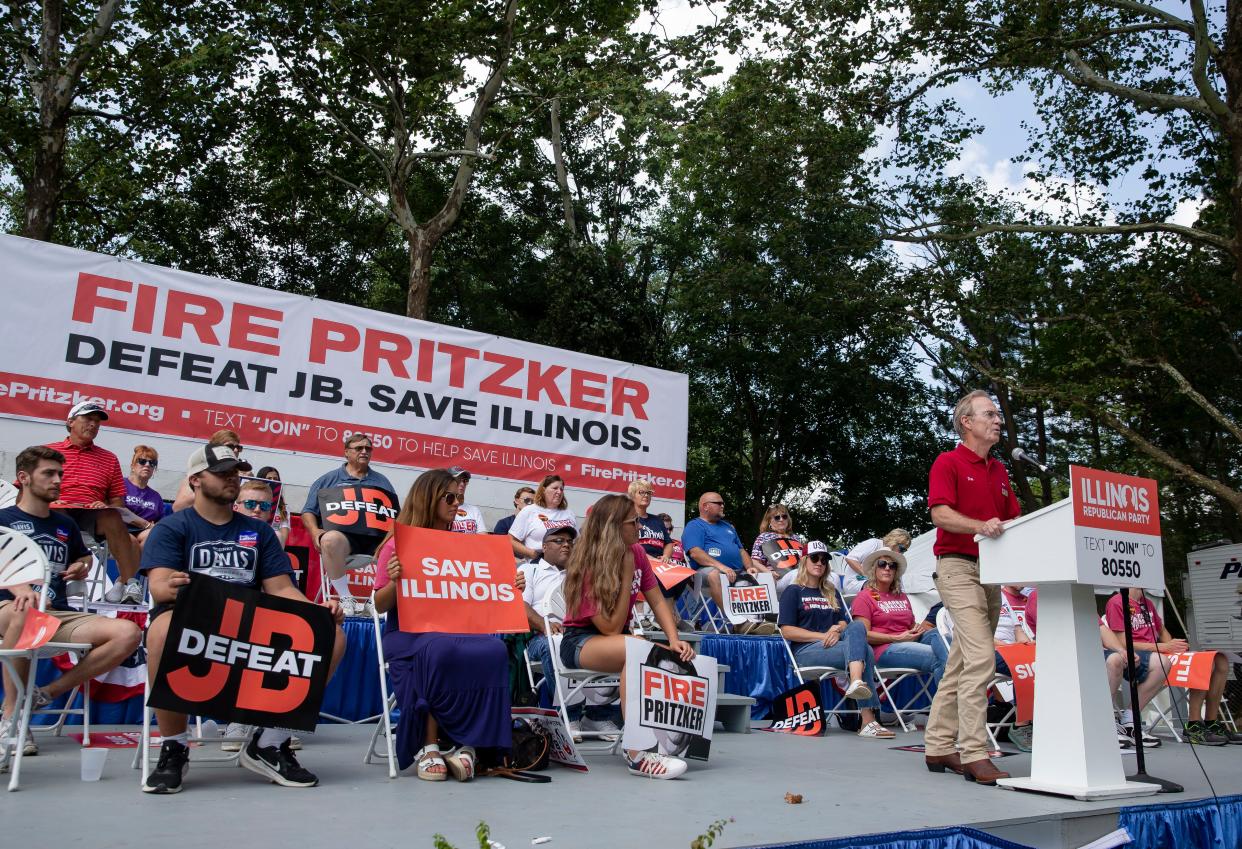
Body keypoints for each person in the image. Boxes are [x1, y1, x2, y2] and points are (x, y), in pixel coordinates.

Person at [140, 443, 345, 794]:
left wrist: (315, 611)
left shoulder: (260, 533)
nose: (231, 478)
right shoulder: (173, 527)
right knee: (160, 631)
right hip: (194, 619)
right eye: (221, 473)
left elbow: (280, 588)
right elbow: (160, 588)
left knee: (332, 634)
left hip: (247, 622)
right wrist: (176, 587)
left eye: (234, 472)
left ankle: (268, 742)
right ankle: (174, 746)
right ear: (195, 481)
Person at [0, 446, 142, 756]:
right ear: (23, 478)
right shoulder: (3, 520)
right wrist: (19, 587)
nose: (57, 481)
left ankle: (43, 694)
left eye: (60, 474)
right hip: (8, 610)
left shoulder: (64, 525)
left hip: (56, 615)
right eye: (48, 474)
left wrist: (84, 565)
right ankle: (13, 717)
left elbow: (81, 556)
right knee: (22, 612)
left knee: (128, 633)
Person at [373, 468, 514, 781]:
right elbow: (378, 605)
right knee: (438, 648)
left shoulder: (463, 545)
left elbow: (478, 595)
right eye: (449, 497)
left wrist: (508, 584)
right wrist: (396, 581)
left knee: (494, 648)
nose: (456, 504)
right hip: (407, 633)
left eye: (460, 498)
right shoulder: (397, 544)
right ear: (428, 499)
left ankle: (471, 743)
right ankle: (429, 745)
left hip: (454, 631)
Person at [560, 494, 697, 779]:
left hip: (617, 639)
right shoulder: (588, 561)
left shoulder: (636, 553)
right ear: (613, 527)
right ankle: (637, 753)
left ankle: (661, 744)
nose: (640, 528)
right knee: (638, 650)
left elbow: (657, 600)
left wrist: (673, 638)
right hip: (581, 641)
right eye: (633, 522)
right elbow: (609, 628)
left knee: (663, 653)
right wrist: (624, 574)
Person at [923, 390, 1021, 785]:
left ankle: (938, 746)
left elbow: (1014, 521)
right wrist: (980, 525)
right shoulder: (947, 462)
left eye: (998, 415)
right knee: (982, 657)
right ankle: (975, 751)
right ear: (966, 421)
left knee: (962, 663)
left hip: (991, 573)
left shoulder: (999, 470)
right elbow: (940, 513)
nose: (998, 420)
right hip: (957, 568)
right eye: (990, 414)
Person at [778, 545, 893, 739]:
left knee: (857, 628)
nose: (820, 563)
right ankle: (868, 720)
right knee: (864, 650)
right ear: (804, 560)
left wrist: (838, 629)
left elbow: (842, 621)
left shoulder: (830, 591)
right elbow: (787, 630)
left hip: (835, 646)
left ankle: (856, 681)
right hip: (806, 651)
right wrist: (823, 636)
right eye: (815, 558)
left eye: (824, 560)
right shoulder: (793, 591)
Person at [1103, 588, 1241, 746]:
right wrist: (1164, 647)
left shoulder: (1146, 603)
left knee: (1220, 659)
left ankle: (1211, 722)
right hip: (1141, 656)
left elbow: (1162, 631)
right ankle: (1194, 724)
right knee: (1204, 662)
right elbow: (1121, 642)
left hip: (1160, 653)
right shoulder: (1117, 602)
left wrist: (1174, 647)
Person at [521, 525, 620, 740]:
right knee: (554, 643)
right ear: (544, 546)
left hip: (578, 635)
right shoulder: (530, 570)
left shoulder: (582, 574)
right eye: (559, 541)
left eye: (569, 541)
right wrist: (544, 625)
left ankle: (598, 717)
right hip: (540, 637)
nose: (566, 544)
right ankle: (569, 715)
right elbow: (521, 607)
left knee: (608, 645)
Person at [47, 400, 143, 604]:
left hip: (92, 516)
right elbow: (27, 488)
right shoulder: (48, 452)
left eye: (97, 422)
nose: (93, 425)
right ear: (71, 421)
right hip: (54, 512)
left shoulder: (109, 458)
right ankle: (72, 574)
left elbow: (117, 502)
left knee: (111, 515)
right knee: (59, 511)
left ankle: (129, 584)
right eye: (88, 419)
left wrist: (106, 505)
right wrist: (52, 498)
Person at [300, 433, 396, 615]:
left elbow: (393, 515)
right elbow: (308, 512)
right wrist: (315, 533)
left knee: (400, 542)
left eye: (368, 448)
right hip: (344, 540)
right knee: (329, 540)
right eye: (359, 448)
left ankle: (374, 599)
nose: (364, 451)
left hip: (376, 541)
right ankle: (345, 598)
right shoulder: (327, 480)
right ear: (346, 453)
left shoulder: (382, 482)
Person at [851, 548, 947, 685]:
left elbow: (909, 624)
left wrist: (916, 628)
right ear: (874, 569)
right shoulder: (864, 597)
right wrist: (897, 638)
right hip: (884, 649)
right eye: (882, 564)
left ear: (896, 572)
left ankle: (956, 699)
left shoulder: (901, 596)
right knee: (940, 658)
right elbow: (862, 635)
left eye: (892, 565)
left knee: (943, 636)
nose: (887, 568)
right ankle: (948, 704)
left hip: (909, 641)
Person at [682, 491, 761, 620]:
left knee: (763, 576)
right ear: (705, 506)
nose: (722, 506)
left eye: (723, 503)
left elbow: (741, 550)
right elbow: (695, 553)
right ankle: (735, 620)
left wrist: (749, 567)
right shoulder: (694, 525)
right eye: (718, 503)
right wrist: (721, 567)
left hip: (736, 572)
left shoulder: (728, 526)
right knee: (715, 574)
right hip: (704, 573)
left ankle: (759, 620)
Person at [171, 430, 252, 511]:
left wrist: (245, 485)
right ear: (215, 448)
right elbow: (178, 507)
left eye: (238, 447)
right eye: (230, 446)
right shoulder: (201, 472)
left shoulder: (243, 473)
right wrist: (212, 488)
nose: (235, 450)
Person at [509, 474, 577, 561]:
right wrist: (531, 553)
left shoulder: (569, 513)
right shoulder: (529, 511)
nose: (559, 492)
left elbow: (577, 542)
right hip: (538, 564)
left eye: (561, 489)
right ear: (544, 490)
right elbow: (510, 541)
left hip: (565, 565)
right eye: (555, 488)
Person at [843, 528, 912, 596]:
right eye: (902, 549)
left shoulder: (894, 555)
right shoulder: (874, 543)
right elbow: (850, 558)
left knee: (895, 589)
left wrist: (902, 595)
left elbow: (899, 580)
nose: (902, 553)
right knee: (880, 585)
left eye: (904, 550)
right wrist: (868, 576)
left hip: (877, 585)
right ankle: (879, 605)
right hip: (855, 582)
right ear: (894, 542)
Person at [123, 445, 165, 549]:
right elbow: (117, 510)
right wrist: (147, 525)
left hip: (145, 534)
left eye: (152, 463)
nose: (147, 465)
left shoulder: (156, 497)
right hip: (121, 530)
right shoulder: (120, 485)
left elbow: (160, 523)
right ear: (132, 466)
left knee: (158, 534)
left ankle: (138, 564)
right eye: (142, 461)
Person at [750, 503, 807, 574]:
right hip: (778, 578)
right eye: (777, 517)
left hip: (800, 576)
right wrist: (769, 573)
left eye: (784, 516)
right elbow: (755, 562)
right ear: (769, 521)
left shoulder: (796, 538)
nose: (781, 519)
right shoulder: (763, 537)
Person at [255, 466, 291, 546]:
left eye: (275, 479)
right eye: (269, 478)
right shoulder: (252, 503)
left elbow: (284, 529)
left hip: (273, 543)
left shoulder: (283, 507)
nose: (272, 481)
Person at [447, 467, 487, 533]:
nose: (462, 484)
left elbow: (483, 536)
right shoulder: (441, 508)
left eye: (464, 481)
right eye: (458, 480)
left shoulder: (474, 510)